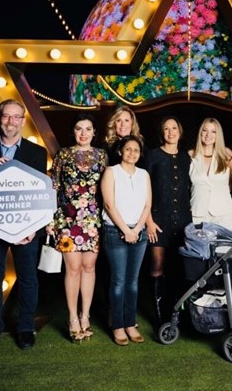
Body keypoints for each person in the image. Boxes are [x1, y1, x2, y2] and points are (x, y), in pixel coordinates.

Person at [0, 99, 48, 354]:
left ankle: (25, 327)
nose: (11, 122)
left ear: (23, 121)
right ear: (0, 119)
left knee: (28, 279)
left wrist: (33, 228)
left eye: (17, 117)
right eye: (7, 116)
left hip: (27, 230)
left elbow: (40, 194)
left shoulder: (36, 153)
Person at [48, 113, 107, 343]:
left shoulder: (102, 155)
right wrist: (51, 221)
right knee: (73, 267)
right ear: (73, 132)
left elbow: (107, 187)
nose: (83, 133)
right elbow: (54, 186)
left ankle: (86, 316)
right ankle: (72, 318)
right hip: (67, 218)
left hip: (92, 218)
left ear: (94, 132)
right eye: (79, 129)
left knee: (89, 267)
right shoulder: (63, 154)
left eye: (88, 129)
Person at [100, 135, 151, 346]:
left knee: (133, 282)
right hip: (115, 231)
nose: (132, 153)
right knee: (119, 281)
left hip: (139, 232)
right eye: (128, 149)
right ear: (120, 151)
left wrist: (137, 229)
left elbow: (148, 205)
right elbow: (109, 205)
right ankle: (118, 326)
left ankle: (130, 323)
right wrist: (126, 230)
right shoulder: (111, 172)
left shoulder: (144, 174)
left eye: (136, 150)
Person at [144, 116, 192, 330]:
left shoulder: (186, 158)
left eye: (174, 128)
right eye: (166, 128)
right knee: (157, 266)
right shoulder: (152, 156)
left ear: (180, 132)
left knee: (178, 267)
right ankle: (160, 316)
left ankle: (177, 313)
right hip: (158, 220)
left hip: (182, 221)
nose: (170, 132)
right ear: (161, 132)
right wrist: (148, 221)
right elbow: (143, 190)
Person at [188, 117, 232, 231]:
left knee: (222, 248)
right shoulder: (191, 155)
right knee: (199, 248)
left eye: (213, 131)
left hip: (223, 212)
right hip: (198, 211)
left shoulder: (226, 154)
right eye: (205, 130)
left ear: (218, 135)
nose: (208, 134)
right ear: (200, 132)